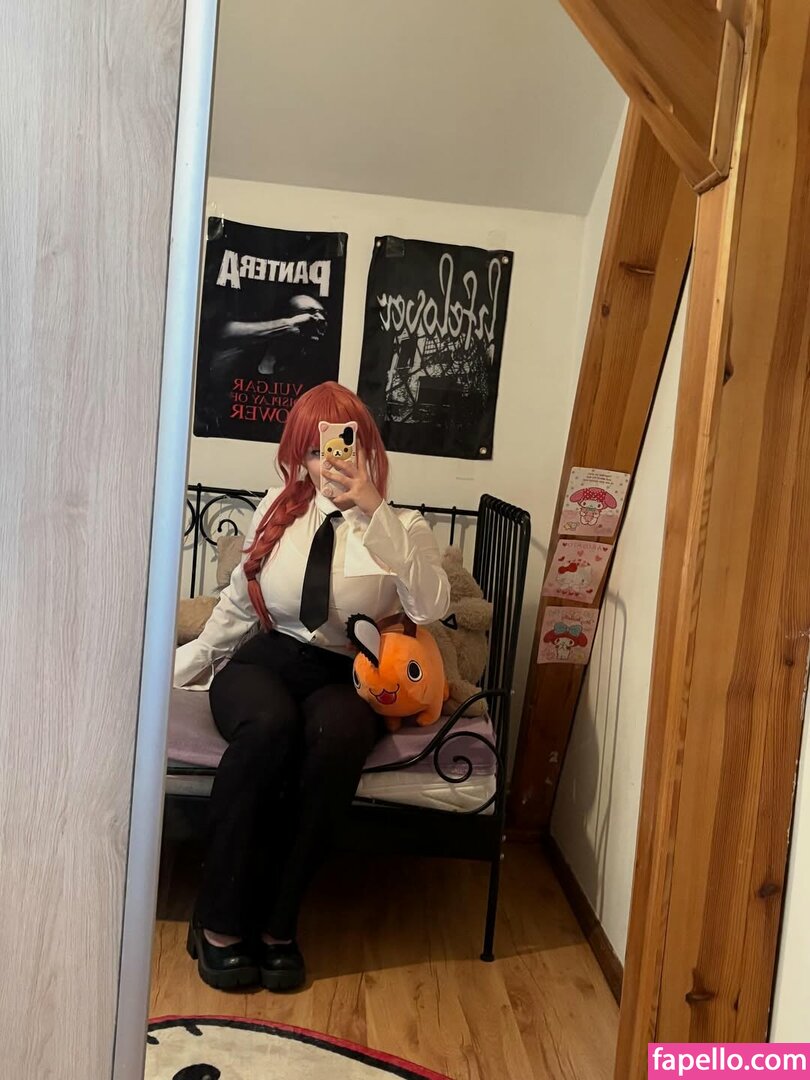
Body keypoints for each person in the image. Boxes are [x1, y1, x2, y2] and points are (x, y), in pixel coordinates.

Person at [175, 381, 450, 992]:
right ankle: (219, 919)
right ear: (297, 454)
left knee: (337, 736)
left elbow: (430, 607)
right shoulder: (278, 510)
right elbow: (237, 607)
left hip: (346, 671)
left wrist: (375, 512)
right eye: (311, 449)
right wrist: (180, 669)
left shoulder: (404, 526)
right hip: (267, 660)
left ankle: (279, 925)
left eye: (341, 445)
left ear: (367, 447)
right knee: (268, 728)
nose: (326, 463)